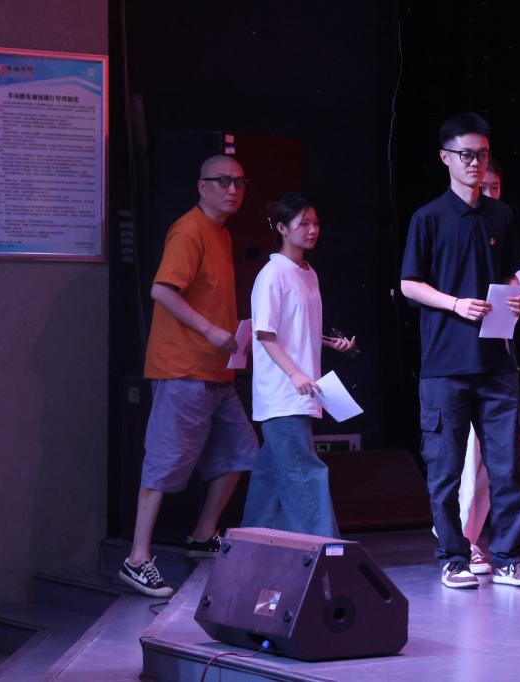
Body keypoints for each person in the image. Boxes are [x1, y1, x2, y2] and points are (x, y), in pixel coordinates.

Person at [400, 112, 520, 589]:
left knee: (506, 468)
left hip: (497, 362)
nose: (475, 163)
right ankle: (453, 557)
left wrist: (516, 298)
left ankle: (509, 558)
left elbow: (511, 275)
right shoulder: (428, 217)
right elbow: (409, 284)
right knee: (445, 470)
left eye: (482, 154)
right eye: (466, 154)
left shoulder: (501, 215)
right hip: (445, 365)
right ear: (445, 157)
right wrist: (455, 303)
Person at [119, 155, 260, 598]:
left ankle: (202, 535)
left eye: (239, 182)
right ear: (202, 186)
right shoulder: (189, 229)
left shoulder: (221, 232)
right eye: (223, 181)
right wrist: (210, 330)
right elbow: (161, 290)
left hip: (216, 370)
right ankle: (137, 559)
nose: (232, 189)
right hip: (182, 368)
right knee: (164, 463)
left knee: (241, 451)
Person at [240, 193, 356, 538]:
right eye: (303, 223)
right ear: (281, 228)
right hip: (283, 394)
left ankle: (251, 550)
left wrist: (329, 342)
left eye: (315, 223)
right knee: (305, 474)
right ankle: (325, 550)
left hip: (302, 391)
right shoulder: (273, 274)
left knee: (271, 480)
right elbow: (265, 333)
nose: (312, 229)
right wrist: (294, 373)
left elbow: (294, 328)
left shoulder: (308, 273)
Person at [454, 158, 520, 575]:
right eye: (483, 187)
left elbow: (514, 286)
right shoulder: (459, 230)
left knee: (498, 463)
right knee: (469, 459)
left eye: (496, 187)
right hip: (463, 362)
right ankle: (463, 539)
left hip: (500, 358)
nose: (489, 194)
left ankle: (487, 541)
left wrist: (517, 300)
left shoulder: (503, 228)